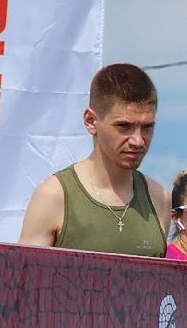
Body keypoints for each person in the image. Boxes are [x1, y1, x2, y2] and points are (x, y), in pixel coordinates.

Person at [20, 64, 169, 255]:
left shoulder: (158, 198)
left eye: (147, 127)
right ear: (91, 121)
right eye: (124, 126)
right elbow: (25, 272)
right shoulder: (54, 196)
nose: (138, 141)